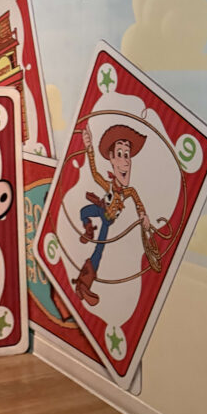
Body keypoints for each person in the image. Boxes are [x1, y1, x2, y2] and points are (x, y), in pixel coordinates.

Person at [74, 122, 151, 307]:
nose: (125, 161)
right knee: (84, 211)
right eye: (120, 154)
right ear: (111, 158)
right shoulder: (108, 185)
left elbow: (138, 203)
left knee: (98, 250)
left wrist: (144, 216)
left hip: (107, 221)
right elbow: (94, 174)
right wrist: (89, 148)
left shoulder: (129, 192)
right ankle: (88, 229)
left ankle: (85, 284)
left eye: (127, 155)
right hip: (100, 209)